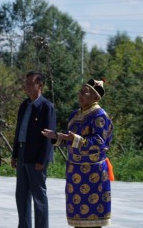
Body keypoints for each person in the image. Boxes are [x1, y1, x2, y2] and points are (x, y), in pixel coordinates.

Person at [42, 79, 113, 228]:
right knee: (78, 219)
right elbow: (70, 140)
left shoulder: (99, 115)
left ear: (95, 97)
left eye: (85, 92)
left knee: (92, 220)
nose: (80, 94)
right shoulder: (75, 114)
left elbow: (100, 142)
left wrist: (74, 138)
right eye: (80, 91)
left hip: (92, 172)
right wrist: (57, 137)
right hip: (75, 172)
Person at [11, 71, 57, 228]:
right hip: (23, 153)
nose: (28, 87)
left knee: (39, 196)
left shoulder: (46, 107)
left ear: (40, 86)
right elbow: (19, 131)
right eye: (26, 84)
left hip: (37, 157)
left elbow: (49, 136)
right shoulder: (24, 105)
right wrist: (15, 154)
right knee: (22, 195)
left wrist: (42, 160)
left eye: (32, 83)